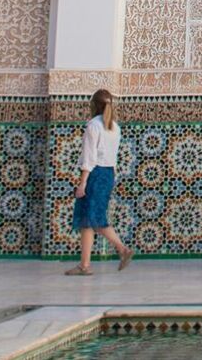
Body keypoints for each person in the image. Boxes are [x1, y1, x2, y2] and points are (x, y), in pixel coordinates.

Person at [67, 89, 135, 275]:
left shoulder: (93, 126)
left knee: (93, 218)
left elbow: (89, 158)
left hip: (95, 174)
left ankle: (122, 249)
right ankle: (85, 264)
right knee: (88, 220)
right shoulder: (115, 127)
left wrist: (82, 183)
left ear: (94, 105)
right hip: (108, 175)